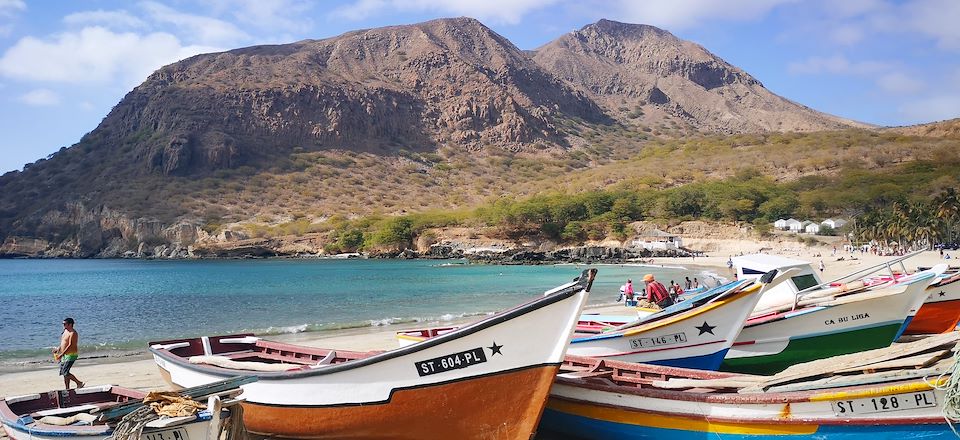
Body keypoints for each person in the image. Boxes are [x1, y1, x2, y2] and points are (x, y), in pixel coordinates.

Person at [54, 317, 84, 390]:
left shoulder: (73, 333)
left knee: (65, 372)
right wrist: (58, 349)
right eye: (63, 324)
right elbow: (63, 342)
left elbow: (70, 345)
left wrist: (62, 354)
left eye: (65, 324)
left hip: (71, 354)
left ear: (70, 324)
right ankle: (67, 388)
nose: (63, 325)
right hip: (64, 354)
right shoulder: (65, 331)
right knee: (64, 373)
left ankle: (79, 383)